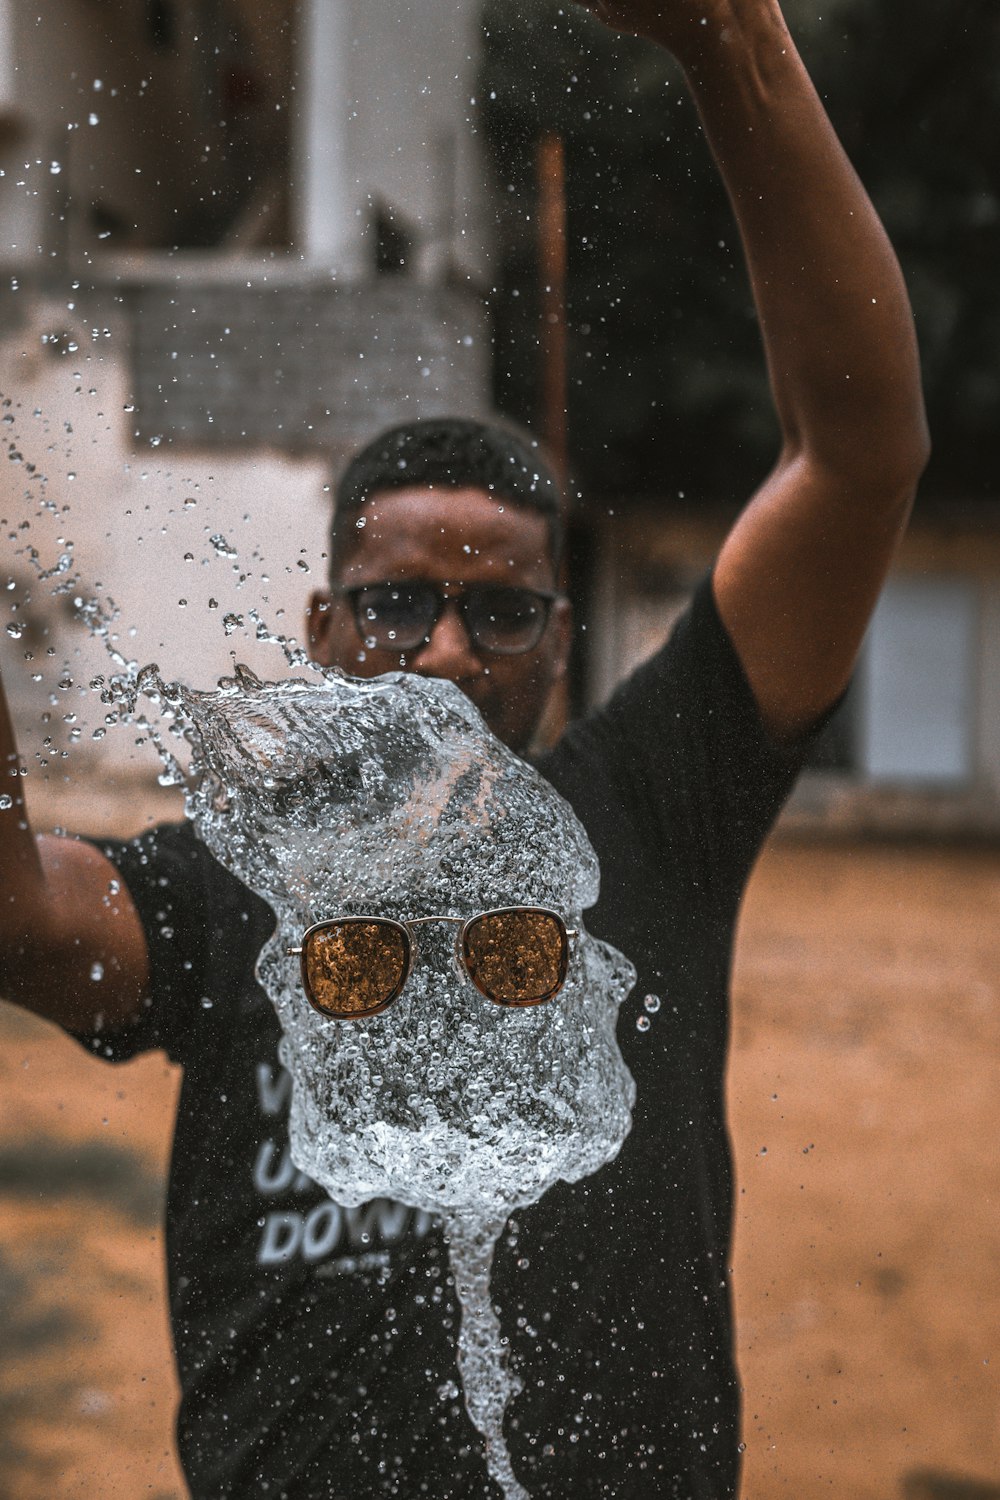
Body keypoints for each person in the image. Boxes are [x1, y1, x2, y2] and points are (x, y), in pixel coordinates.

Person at [0, 0, 928, 1495]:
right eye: (397, 606)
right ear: (319, 628)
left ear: (563, 642)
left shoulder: (655, 807)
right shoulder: (241, 886)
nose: (442, 652)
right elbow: (20, 913)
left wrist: (734, 45)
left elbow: (862, 454)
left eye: (499, 614)